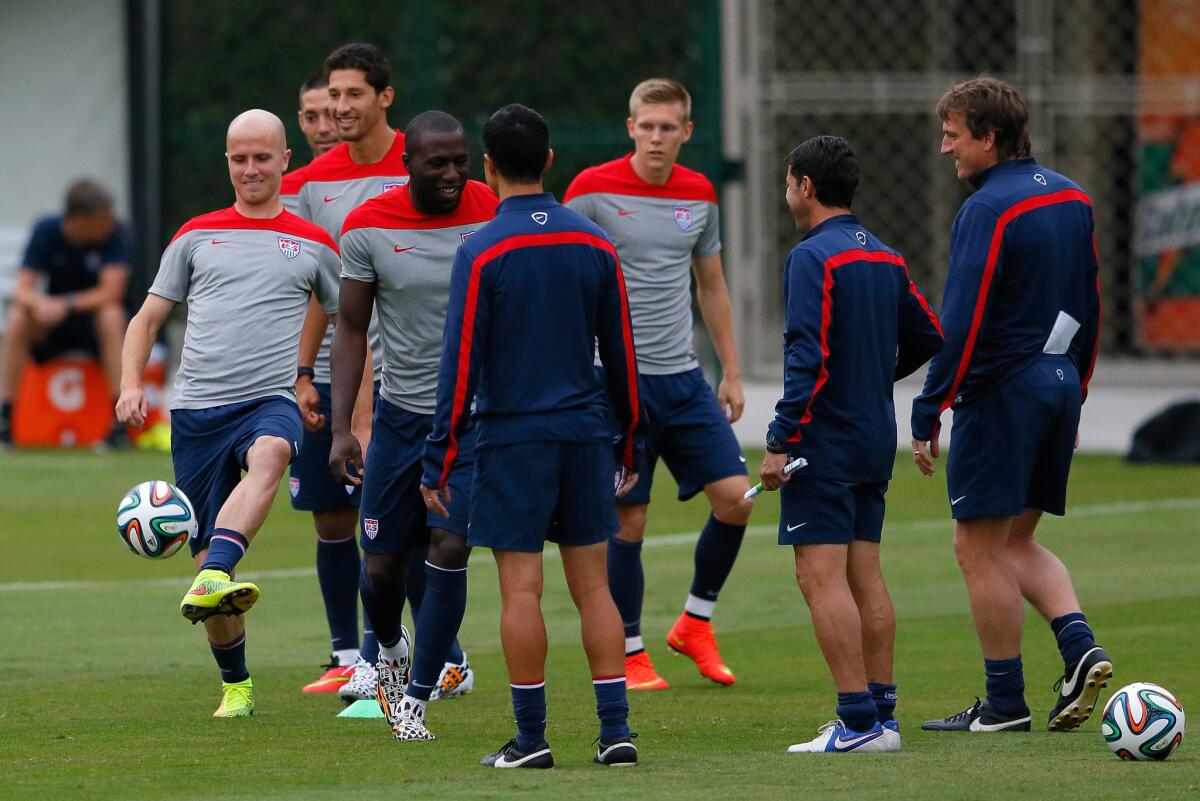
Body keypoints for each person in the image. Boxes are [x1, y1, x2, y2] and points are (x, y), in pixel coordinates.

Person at [421, 104, 643, 768]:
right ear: (550, 160)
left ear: (487, 166)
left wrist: (439, 454)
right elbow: (623, 354)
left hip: (513, 438)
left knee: (521, 590)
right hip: (583, 434)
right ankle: (615, 732)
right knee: (595, 588)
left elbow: (459, 362)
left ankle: (531, 738)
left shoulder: (481, 247)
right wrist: (628, 441)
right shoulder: (596, 242)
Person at [115, 110, 342, 717]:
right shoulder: (195, 235)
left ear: (285, 159)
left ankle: (218, 566)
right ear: (227, 163)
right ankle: (236, 684)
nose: (251, 170)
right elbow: (145, 320)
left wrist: (321, 385)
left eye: (262, 157)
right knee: (208, 592)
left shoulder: (315, 243)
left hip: (270, 399)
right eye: (239, 159)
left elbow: (347, 316)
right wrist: (130, 384)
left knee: (271, 452)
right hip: (196, 413)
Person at [911, 77, 1110, 733]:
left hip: (1002, 392)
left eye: (952, 135)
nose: (946, 149)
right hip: (1055, 385)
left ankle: (1003, 705)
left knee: (976, 546)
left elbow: (961, 319)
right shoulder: (1073, 197)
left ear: (987, 138)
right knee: (1015, 538)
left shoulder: (988, 208)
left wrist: (928, 406)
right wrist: (1074, 393)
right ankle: (1081, 651)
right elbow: (1091, 303)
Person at [564, 78, 752, 691]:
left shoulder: (699, 194)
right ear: (630, 127)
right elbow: (560, 277)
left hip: (684, 380)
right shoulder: (590, 191)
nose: (655, 137)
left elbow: (712, 286)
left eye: (667, 128)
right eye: (646, 126)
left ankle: (696, 623)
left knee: (736, 499)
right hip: (613, 384)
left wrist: (730, 368)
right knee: (630, 519)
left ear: (686, 133)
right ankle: (632, 651)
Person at [759, 136, 943, 753]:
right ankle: (882, 717)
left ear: (805, 186)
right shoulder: (886, 257)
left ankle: (858, 722)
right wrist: (873, 375)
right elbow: (928, 335)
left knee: (819, 577)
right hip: (872, 437)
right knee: (866, 574)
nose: (786, 193)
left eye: (788, 183)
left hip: (825, 441)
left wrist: (781, 438)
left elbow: (805, 357)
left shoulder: (812, 257)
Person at [330, 110, 497, 740]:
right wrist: (345, 426)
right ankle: (391, 650)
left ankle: (415, 700)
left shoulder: (491, 211)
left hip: (473, 422)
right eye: (438, 163)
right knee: (380, 570)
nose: (453, 173)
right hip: (401, 422)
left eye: (461, 159)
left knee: (449, 549)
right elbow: (350, 328)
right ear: (408, 165)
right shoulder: (367, 225)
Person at [286, 43, 418, 701]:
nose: (338, 108)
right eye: (331, 96)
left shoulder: (420, 165)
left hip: (412, 371)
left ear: (384, 97)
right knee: (336, 518)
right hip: (345, 365)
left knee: (399, 517)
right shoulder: (311, 183)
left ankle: (397, 658)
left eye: (352, 95)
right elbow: (320, 287)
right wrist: (304, 372)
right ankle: (353, 653)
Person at [2, 180, 129, 447]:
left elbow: (111, 291)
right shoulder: (46, 229)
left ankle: (119, 425)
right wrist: (41, 304)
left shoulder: (115, 233)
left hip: (93, 331)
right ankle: (5, 419)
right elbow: (22, 290)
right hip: (53, 328)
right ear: (78, 220)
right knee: (17, 317)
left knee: (111, 315)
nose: (107, 225)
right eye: (100, 220)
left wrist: (66, 303)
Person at [281, 74, 339, 217]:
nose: (322, 129)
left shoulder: (377, 180)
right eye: (311, 118)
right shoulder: (280, 192)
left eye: (330, 115)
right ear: (301, 121)